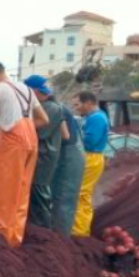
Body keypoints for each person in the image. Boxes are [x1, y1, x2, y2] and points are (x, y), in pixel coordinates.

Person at [0, 61, 49, 248]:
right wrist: (24, 128)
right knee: (22, 192)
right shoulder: (26, 89)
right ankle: (15, 238)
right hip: (31, 140)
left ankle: (0, 238)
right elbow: (44, 119)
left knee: (5, 191)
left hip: (11, 142)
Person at [23, 75, 70, 229]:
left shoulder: (50, 108)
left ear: (34, 91)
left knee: (39, 192)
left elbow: (38, 132)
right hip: (42, 155)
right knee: (37, 193)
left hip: (43, 157)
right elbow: (65, 134)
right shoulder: (51, 106)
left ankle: (42, 231)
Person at [72, 91, 109, 237]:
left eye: (77, 104)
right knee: (82, 193)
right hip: (91, 157)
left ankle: (79, 232)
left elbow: (90, 141)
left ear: (88, 103)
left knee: (80, 193)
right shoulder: (93, 117)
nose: (76, 108)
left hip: (91, 158)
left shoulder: (96, 118)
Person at [50, 100, 86, 237]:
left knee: (64, 199)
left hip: (70, 156)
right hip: (70, 153)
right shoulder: (58, 107)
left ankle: (61, 238)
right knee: (60, 198)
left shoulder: (56, 109)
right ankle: (60, 235)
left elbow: (65, 136)